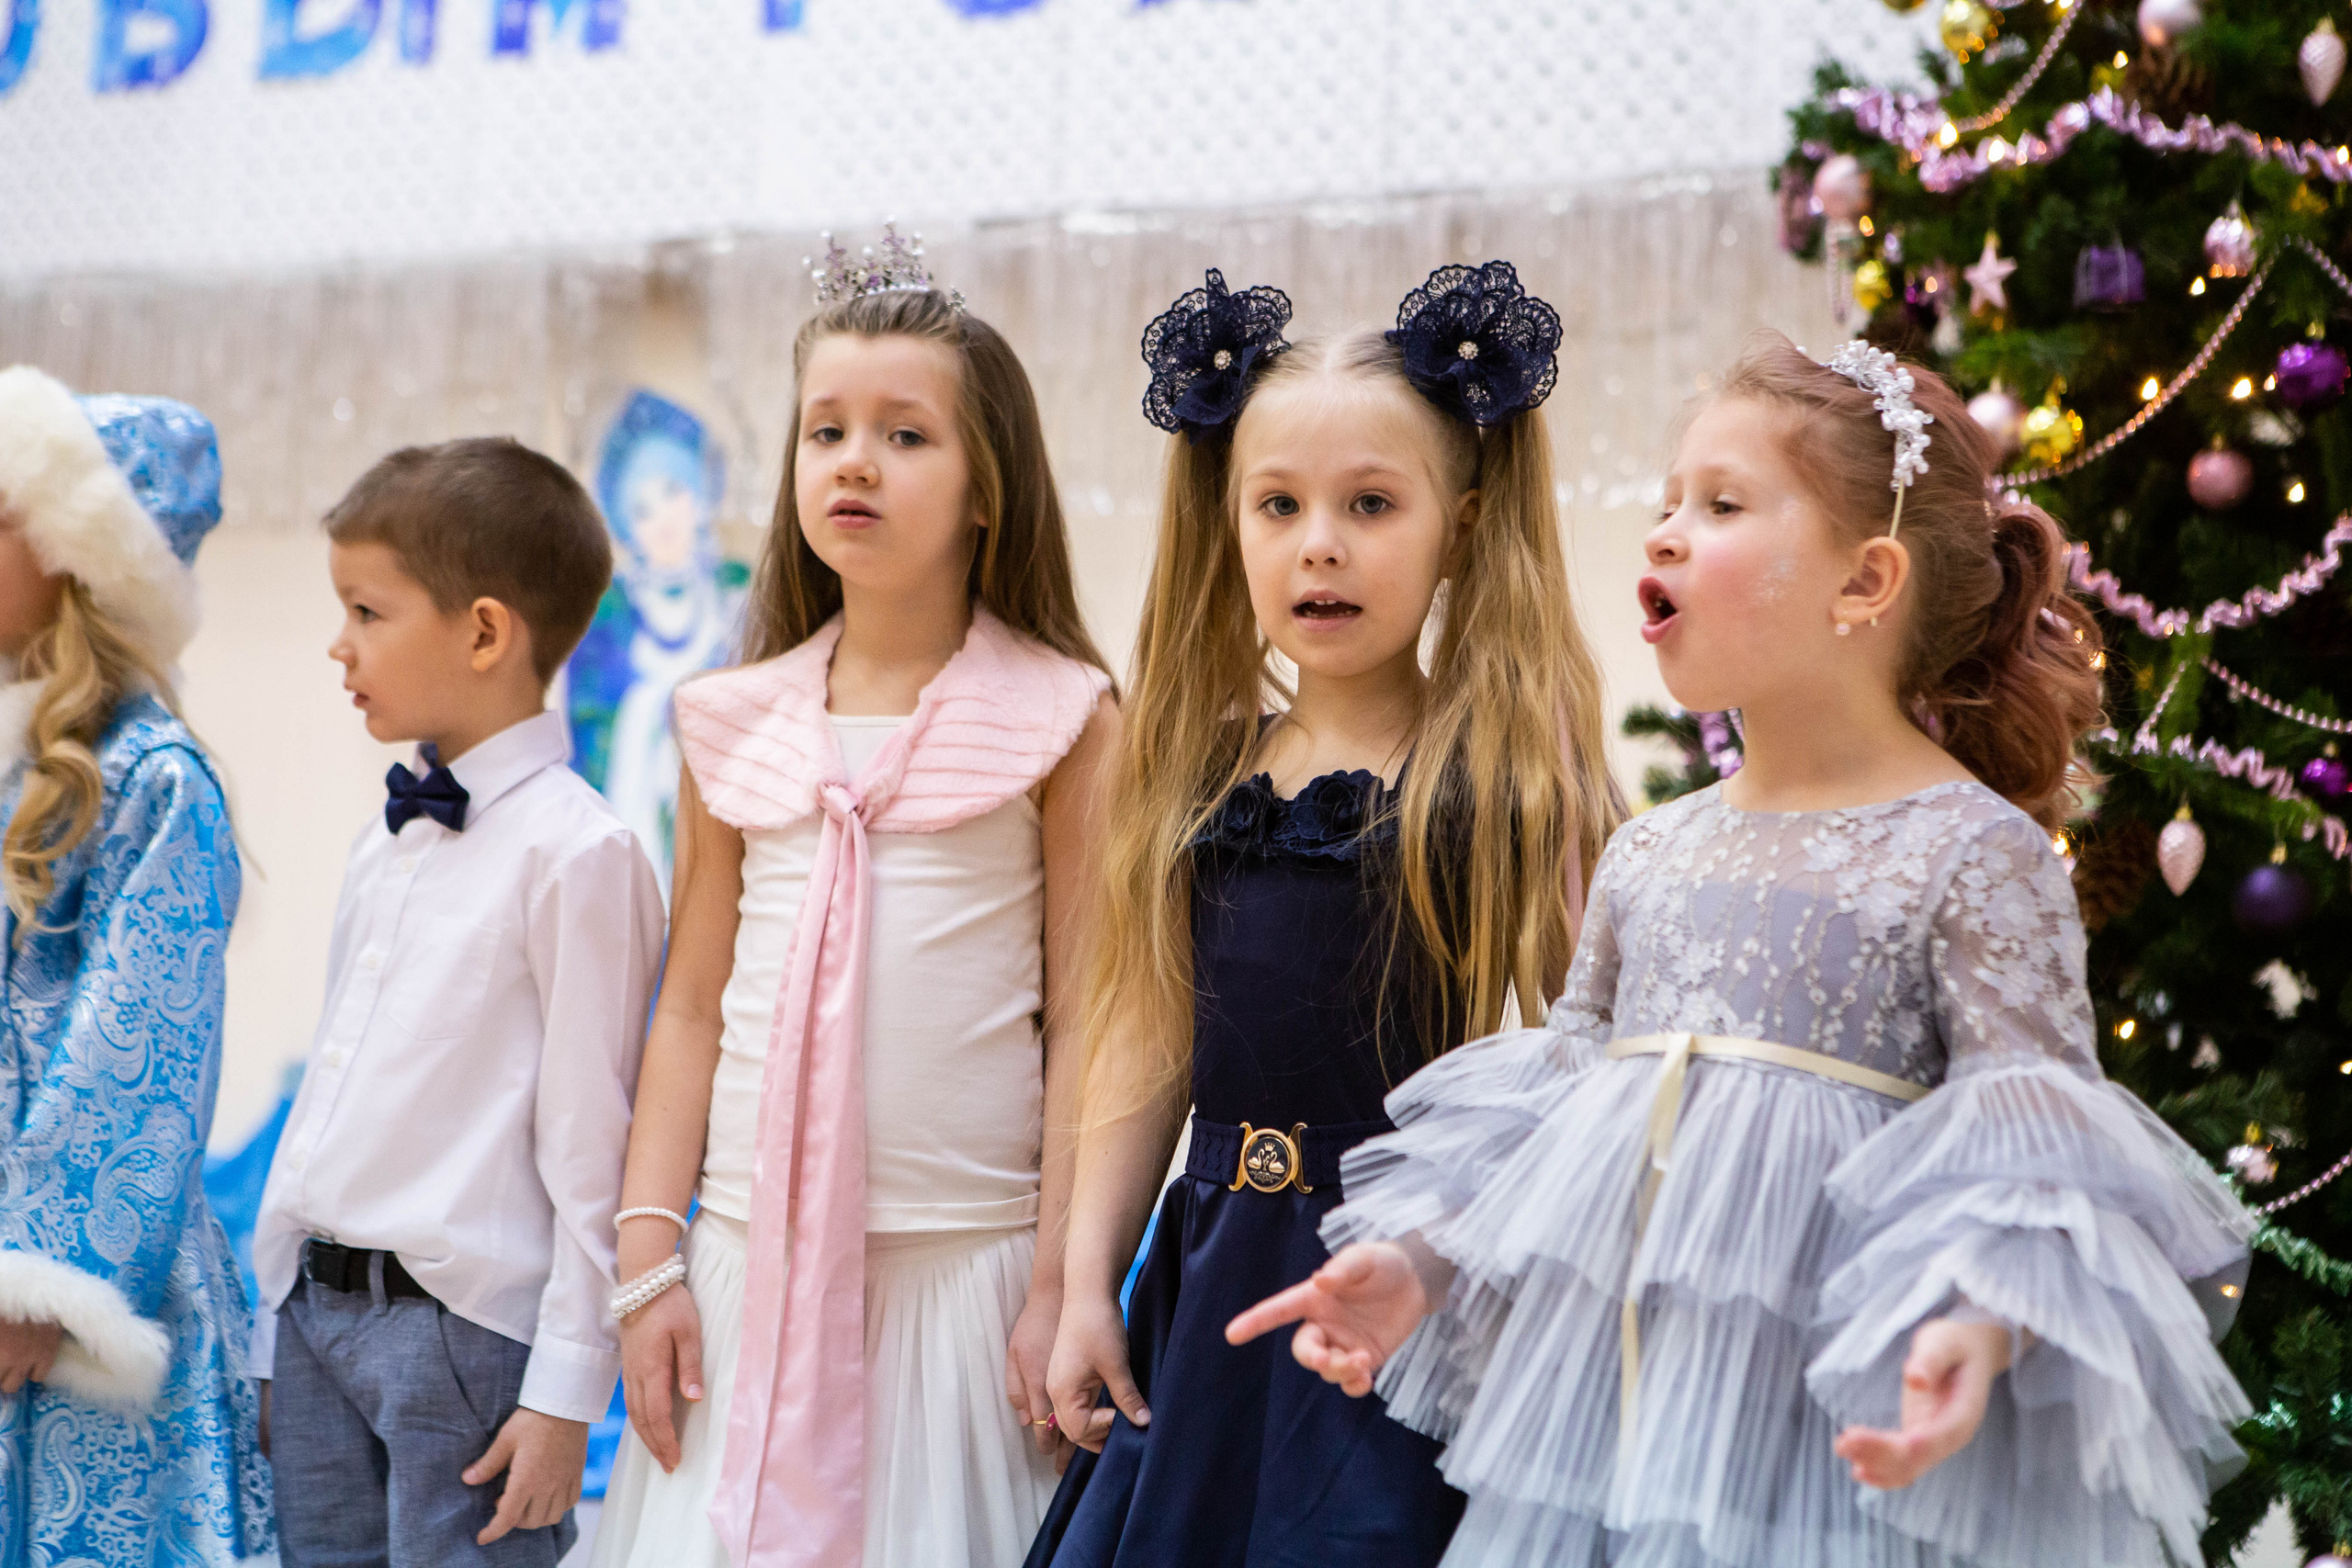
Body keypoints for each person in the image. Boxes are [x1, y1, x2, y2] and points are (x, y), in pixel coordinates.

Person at [1232, 333, 2256, 1567]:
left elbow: (2032, 1147)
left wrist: (1979, 1327)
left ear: (1866, 580)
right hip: (1630, 1442)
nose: (1662, 532)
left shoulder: (1969, 851)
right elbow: (1559, 1111)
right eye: (1667, 501)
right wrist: (1419, 1258)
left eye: (1718, 505)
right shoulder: (1650, 855)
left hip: (1842, 1462)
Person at [1028, 262, 1620, 1568]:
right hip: (1212, 1288)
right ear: (1229, 523)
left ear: (1460, 527)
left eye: (1370, 504)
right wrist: (1084, 1283)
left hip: (1399, 1288)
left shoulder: (1506, 775)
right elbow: (1145, 1043)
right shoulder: (1198, 769)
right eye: (1279, 505)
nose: (1321, 544)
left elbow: (1600, 1051)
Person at [594, 234, 1118, 1568]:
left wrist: (1062, 1280)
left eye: (905, 433)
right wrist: (650, 1258)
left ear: (989, 486)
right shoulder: (727, 717)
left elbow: (1091, 1024)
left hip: (967, 1282)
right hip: (743, 1269)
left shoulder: (1064, 718)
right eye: (826, 429)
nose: (855, 461)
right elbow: (690, 1011)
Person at [249, 437, 667, 1566]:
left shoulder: (583, 855)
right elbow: (331, 1091)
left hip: (461, 1338)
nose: (340, 646)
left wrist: (567, 1392)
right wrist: (271, 1308)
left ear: (485, 631)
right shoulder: (381, 844)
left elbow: (595, 1145)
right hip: (316, 1319)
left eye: (368, 612)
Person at [0, 366, 272, 1564]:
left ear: (75, 552)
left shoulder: (157, 780)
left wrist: (38, 1281)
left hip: (73, 1320)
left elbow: (137, 1048)